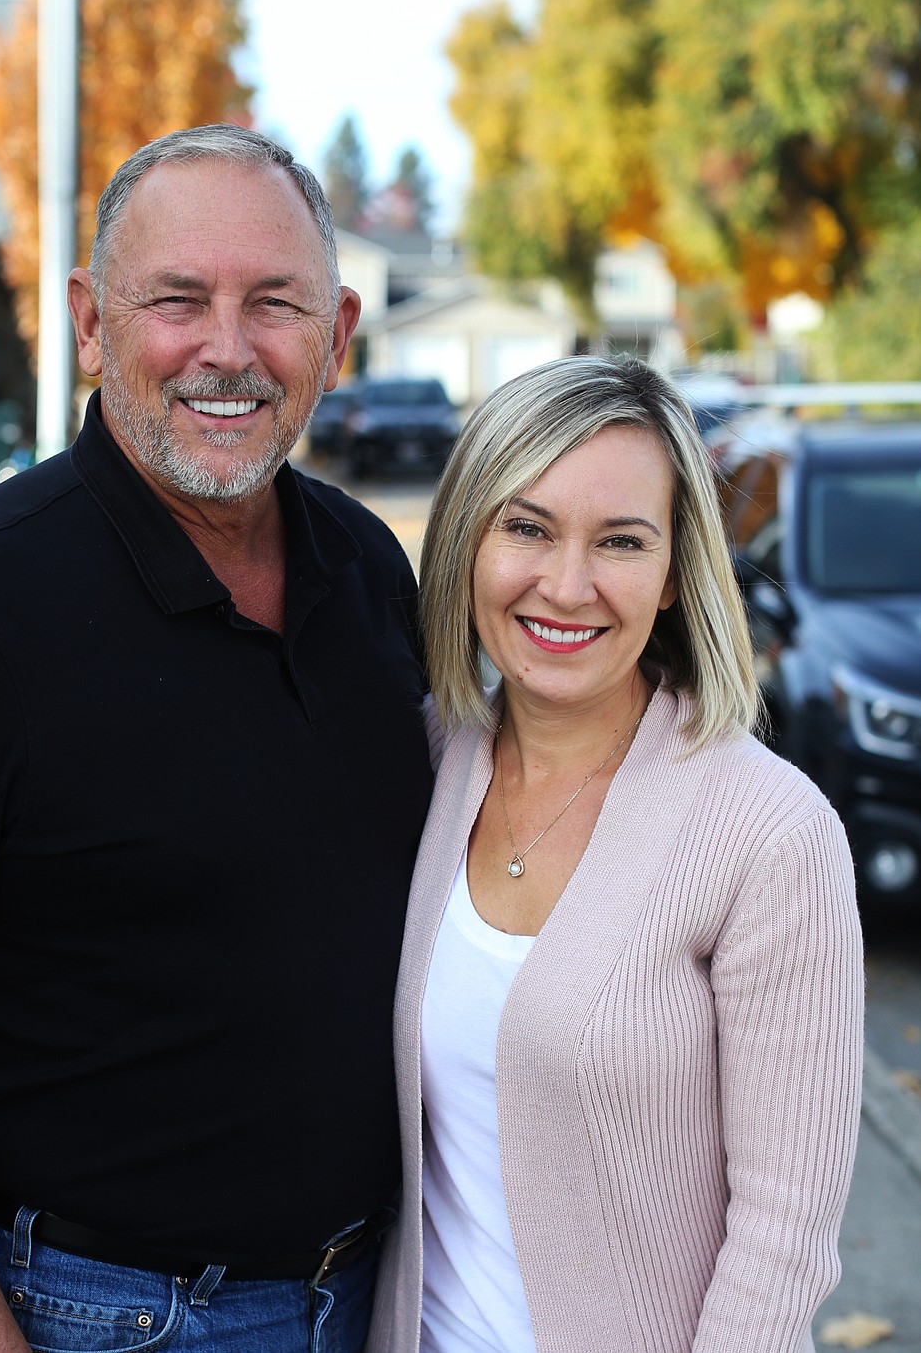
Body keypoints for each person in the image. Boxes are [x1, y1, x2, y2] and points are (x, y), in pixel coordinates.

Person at [0, 124, 434, 1353]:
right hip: (86, 1318)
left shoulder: (363, 567)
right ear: (90, 321)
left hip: (364, 1300)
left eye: (276, 304)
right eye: (177, 300)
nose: (228, 351)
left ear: (339, 333)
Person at [366, 355, 864, 1353]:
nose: (567, 585)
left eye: (621, 542)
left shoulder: (769, 832)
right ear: (468, 536)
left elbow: (782, 1241)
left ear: (677, 571)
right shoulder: (419, 762)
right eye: (527, 527)